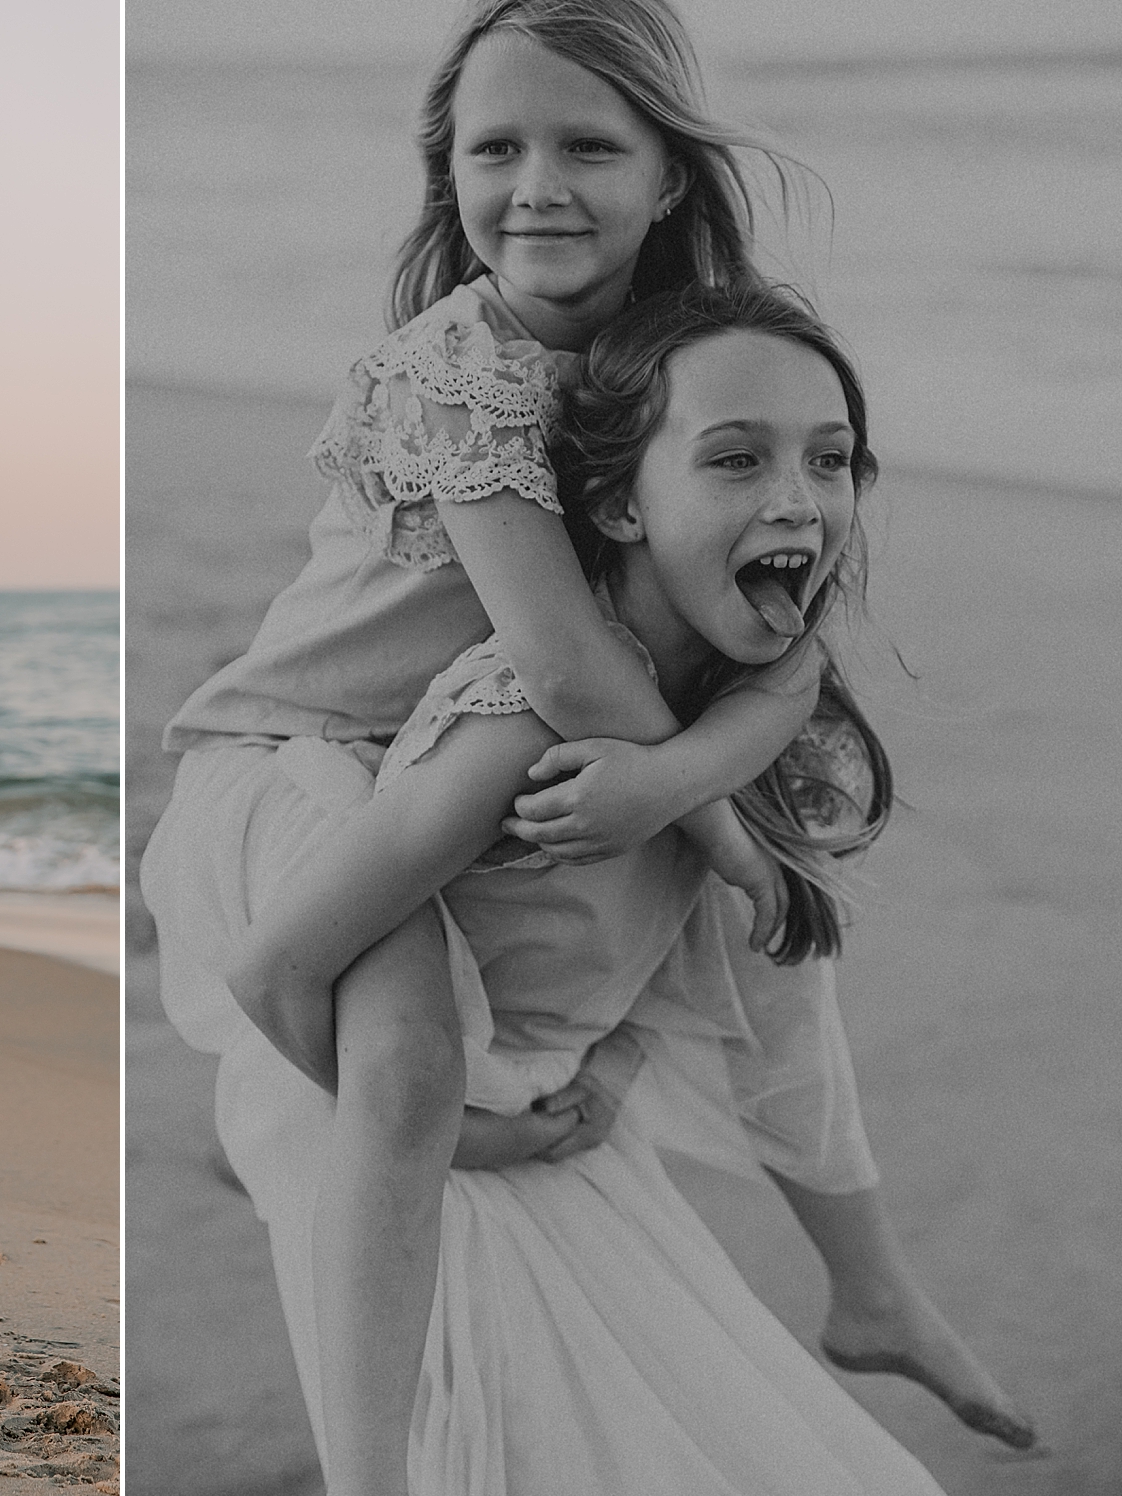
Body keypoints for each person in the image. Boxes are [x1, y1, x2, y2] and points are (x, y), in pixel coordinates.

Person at [138, 2, 1028, 1489]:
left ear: (670, 175)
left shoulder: (680, 358)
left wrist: (736, 816)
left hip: (482, 736)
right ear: (447, 175)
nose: (537, 184)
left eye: (588, 147)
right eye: (495, 147)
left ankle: (870, 1284)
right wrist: (706, 805)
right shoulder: (455, 365)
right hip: (296, 757)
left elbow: (789, 642)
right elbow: (559, 656)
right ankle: (368, 1467)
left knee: (780, 918)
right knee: (418, 1050)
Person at [225, 280, 946, 1490]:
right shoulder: (524, 725)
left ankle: (874, 1293)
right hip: (416, 1163)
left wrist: (606, 1060)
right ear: (614, 500)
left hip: (559, 1126)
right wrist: (461, 1130)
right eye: (732, 459)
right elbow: (277, 968)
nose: (796, 500)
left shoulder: (740, 697)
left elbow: (683, 963)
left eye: (829, 461)